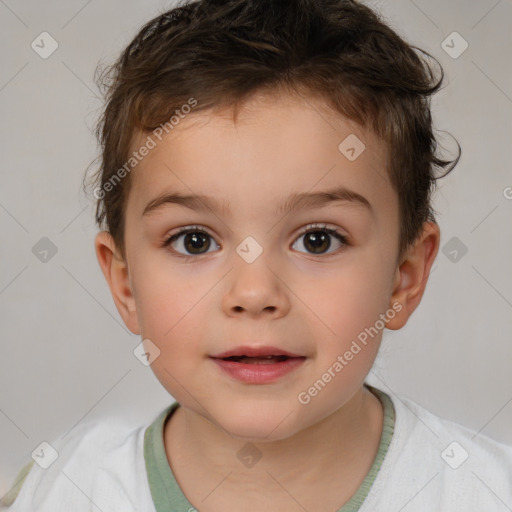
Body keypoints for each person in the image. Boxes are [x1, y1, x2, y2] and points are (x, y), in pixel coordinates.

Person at [2, 0, 511, 510]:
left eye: (318, 239)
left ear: (404, 278)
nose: (254, 294)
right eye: (194, 240)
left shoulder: (483, 492)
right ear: (126, 282)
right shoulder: (60, 492)